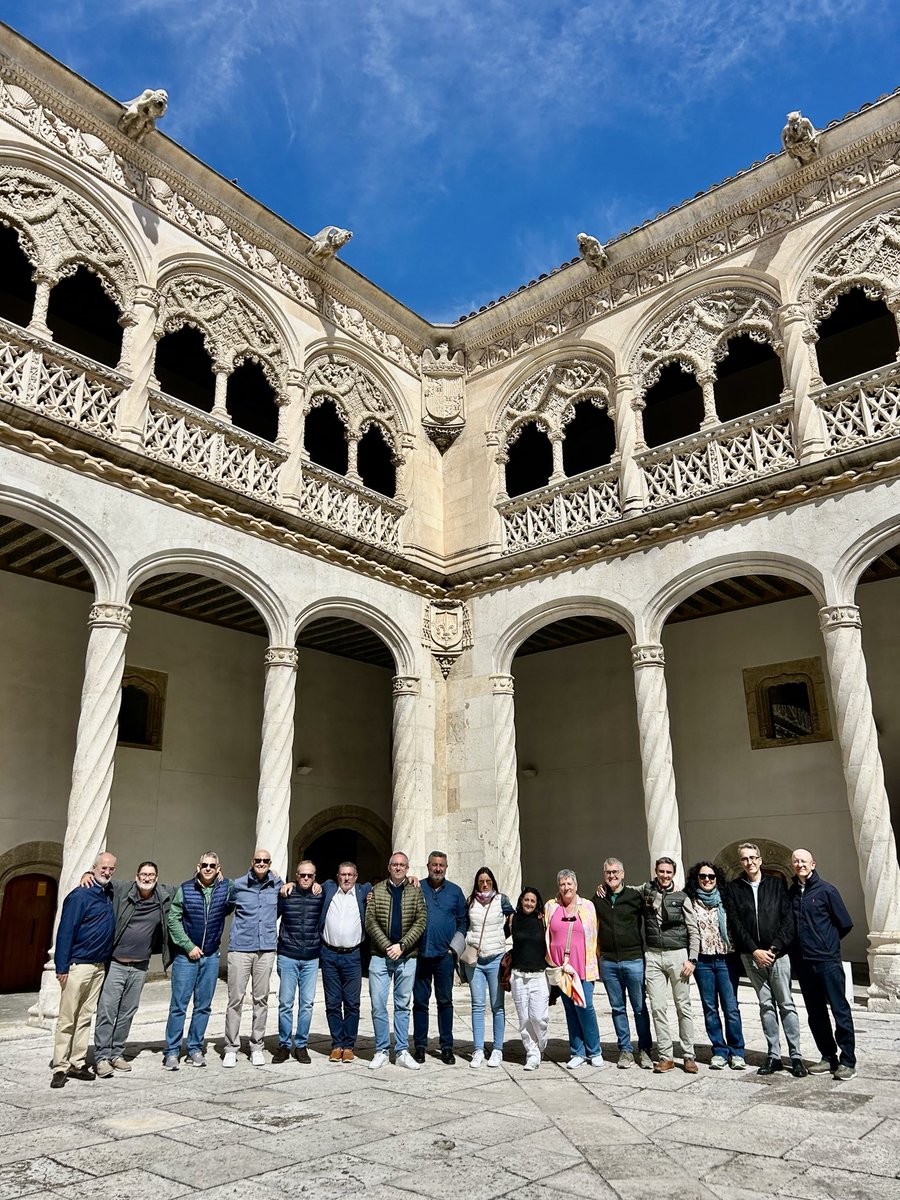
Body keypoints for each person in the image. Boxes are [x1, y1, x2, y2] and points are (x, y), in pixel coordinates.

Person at [727, 842, 806, 1077]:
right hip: (751, 956)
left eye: (753, 858)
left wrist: (773, 948)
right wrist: (754, 951)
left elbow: (787, 920)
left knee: (786, 1004)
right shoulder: (734, 888)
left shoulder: (776, 884)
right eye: (744, 859)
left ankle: (796, 1056)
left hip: (777, 955)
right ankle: (773, 1055)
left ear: (760, 860)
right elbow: (735, 923)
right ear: (740, 862)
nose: (749, 862)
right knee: (765, 1005)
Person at [92, 860, 176, 1077]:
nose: (146, 878)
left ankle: (117, 1053)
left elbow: (191, 887)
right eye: (143, 874)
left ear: (156, 878)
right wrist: (86, 873)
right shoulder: (122, 890)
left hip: (140, 967)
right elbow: (103, 879)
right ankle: (101, 1056)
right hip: (117, 964)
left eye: (151, 875)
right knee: (107, 1010)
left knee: (127, 1012)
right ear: (136, 875)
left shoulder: (163, 895)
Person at [50, 852, 117, 1088]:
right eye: (103, 868)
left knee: (85, 1017)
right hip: (78, 965)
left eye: (111, 869)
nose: (107, 872)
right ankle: (60, 1066)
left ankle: (77, 1063)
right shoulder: (80, 895)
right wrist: (61, 966)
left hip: (99, 967)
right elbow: (66, 931)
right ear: (94, 867)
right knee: (67, 1018)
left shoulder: (109, 894)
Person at [789, 848, 856, 1080]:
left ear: (813, 864)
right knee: (815, 1013)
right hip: (804, 964)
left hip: (827, 961)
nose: (800, 864)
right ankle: (828, 1057)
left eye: (804, 861)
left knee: (840, 1010)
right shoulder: (792, 893)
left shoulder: (827, 891)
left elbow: (844, 924)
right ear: (792, 866)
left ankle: (848, 1061)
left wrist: (827, 945)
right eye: (796, 861)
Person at [164, 851, 233, 1069]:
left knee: (203, 1006)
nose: (208, 868)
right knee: (178, 1006)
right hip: (186, 957)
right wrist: (188, 946)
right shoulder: (185, 889)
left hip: (211, 955)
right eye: (205, 865)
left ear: (218, 868)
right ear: (198, 866)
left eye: (213, 865)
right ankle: (172, 1051)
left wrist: (277, 877)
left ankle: (195, 1048)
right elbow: (173, 920)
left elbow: (251, 885)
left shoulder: (227, 887)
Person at [365, 849, 427, 1070]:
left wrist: (402, 946)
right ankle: (381, 1050)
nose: (398, 868)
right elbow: (370, 921)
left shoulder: (415, 892)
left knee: (403, 1005)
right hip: (380, 957)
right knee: (378, 1004)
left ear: (407, 868)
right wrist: (387, 946)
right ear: (389, 867)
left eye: (402, 865)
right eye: (395, 864)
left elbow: (421, 921)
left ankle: (401, 1050)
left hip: (407, 956)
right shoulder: (377, 890)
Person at [223, 847, 282, 1067]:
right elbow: (225, 907)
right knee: (235, 999)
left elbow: (287, 893)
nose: (261, 863)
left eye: (265, 860)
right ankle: (231, 1047)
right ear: (252, 861)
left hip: (265, 949)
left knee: (261, 999)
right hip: (240, 948)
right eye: (258, 860)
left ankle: (257, 1046)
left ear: (270, 863)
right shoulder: (238, 885)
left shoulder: (276, 884)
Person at [593, 857, 653, 1070]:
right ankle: (625, 1050)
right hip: (609, 961)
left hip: (633, 959)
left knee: (639, 1007)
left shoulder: (634, 897)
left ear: (623, 873)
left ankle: (645, 1049)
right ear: (604, 875)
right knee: (618, 1008)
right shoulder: (598, 898)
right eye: (608, 872)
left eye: (615, 872)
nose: (612, 875)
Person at [685, 860, 745, 1070]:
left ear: (717, 879)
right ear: (697, 879)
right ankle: (719, 1050)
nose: (707, 880)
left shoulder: (726, 899)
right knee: (710, 1008)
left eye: (711, 877)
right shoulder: (690, 900)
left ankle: (737, 1051)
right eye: (703, 876)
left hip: (726, 959)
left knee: (731, 1007)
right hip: (703, 961)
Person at [641, 856, 700, 1074]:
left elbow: (694, 930)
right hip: (654, 955)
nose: (664, 875)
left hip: (678, 955)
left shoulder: (682, 897)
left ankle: (688, 1055)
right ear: (656, 872)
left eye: (668, 872)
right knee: (658, 1007)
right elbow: (623, 888)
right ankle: (665, 1056)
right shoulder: (646, 890)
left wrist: (692, 958)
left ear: (673, 874)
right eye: (661, 871)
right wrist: (605, 887)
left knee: (683, 1006)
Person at [413, 850, 466, 1064]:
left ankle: (446, 1046)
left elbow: (463, 921)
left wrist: (454, 949)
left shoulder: (455, 891)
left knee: (445, 1002)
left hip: (444, 957)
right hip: (421, 954)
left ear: (446, 867)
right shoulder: (417, 888)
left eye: (441, 865)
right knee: (420, 1002)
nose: (437, 869)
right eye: (434, 865)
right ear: (428, 866)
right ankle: (419, 1045)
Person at [545, 868, 602, 1070]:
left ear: (576, 885)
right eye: (562, 884)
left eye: (569, 883)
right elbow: (546, 933)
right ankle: (577, 1051)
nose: (566, 887)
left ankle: (594, 1050)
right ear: (558, 887)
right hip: (561, 969)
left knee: (584, 1006)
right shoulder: (551, 906)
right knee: (570, 1009)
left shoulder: (587, 906)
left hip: (582, 967)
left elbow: (595, 933)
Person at [319, 861, 372, 1063]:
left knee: (352, 1003)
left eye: (350, 874)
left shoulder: (363, 891)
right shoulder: (328, 888)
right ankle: (337, 1044)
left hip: (352, 956)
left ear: (356, 877)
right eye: (343, 874)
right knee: (332, 1003)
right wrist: (288, 884)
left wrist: (411, 879)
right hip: (329, 954)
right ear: (337, 876)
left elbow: (389, 885)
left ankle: (348, 1045)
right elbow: (306, 882)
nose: (346, 878)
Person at [272, 859, 323, 1064]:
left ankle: (301, 1045)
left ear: (314, 877)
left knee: (307, 1004)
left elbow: (349, 885)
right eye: (302, 875)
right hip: (288, 956)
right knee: (285, 1003)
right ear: (296, 876)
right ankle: (284, 1044)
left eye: (310, 875)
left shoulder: (321, 894)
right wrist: (281, 884)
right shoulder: (287, 894)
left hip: (311, 958)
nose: (305, 878)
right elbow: (270, 913)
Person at [463, 866, 514, 1068]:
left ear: (493, 882)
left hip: (495, 959)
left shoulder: (501, 900)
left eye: (488, 881)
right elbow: (465, 924)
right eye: (481, 881)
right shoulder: (470, 901)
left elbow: (513, 918)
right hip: (475, 959)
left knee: (497, 1006)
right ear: (477, 883)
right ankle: (477, 1049)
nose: (484, 884)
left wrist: (502, 941)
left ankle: (498, 1049)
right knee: (477, 1005)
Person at [507, 886, 549, 1070]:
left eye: (532, 900)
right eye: (526, 900)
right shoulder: (513, 919)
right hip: (518, 975)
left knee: (538, 1017)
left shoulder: (543, 920)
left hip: (539, 975)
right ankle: (532, 1053)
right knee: (524, 1018)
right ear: (521, 901)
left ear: (537, 903)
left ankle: (541, 1044)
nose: (529, 903)